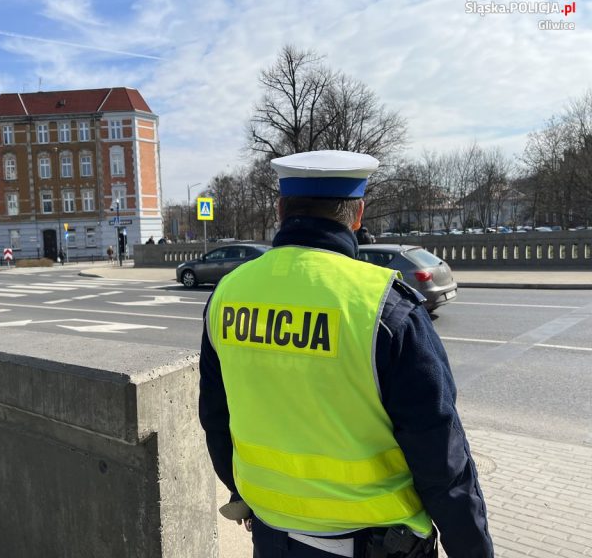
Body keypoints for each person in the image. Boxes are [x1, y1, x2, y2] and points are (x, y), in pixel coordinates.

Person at [199, 150, 493, 558]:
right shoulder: (383, 307)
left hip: (272, 535)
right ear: (357, 216)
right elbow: (440, 456)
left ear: (281, 209)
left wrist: (245, 492)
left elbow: (216, 419)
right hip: (373, 543)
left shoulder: (228, 293)